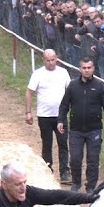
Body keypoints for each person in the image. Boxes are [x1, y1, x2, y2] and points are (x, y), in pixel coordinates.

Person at [57, 59, 104, 194]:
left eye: (89, 67)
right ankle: (76, 183)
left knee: (93, 160)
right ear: (80, 69)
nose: (87, 70)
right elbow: (64, 105)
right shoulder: (72, 86)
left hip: (94, 130)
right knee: (75, 158)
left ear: (93, 68)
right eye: (84, 67)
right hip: (76, 130)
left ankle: (90, 186)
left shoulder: (100, 86)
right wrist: (60, 120)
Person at [25, 50, 72, 184]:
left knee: (63, 143)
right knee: (47, 144)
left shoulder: (63, 73)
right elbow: (29, 93)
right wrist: (28, 112)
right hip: (44, 115)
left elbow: (70, 92)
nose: (51, 63)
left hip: (60, 116)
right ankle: (47, 170)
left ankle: (64, 172)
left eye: (53, 60)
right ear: (43, 60)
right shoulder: (38, 74)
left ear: (56, 59)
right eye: (48, 60)